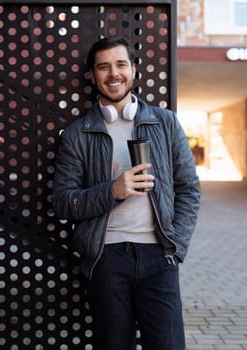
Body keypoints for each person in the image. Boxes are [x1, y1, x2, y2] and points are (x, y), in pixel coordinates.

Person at [52, 36, 201, 350]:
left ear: (134, 70)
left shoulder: (165, 123)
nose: (113, 73)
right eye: (103, 67)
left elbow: (189, 189)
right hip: (107, 258)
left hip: (160, 257)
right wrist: (113, 191)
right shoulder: (77, 135)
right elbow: (63, 203)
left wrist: (177, 247)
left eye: (120, 64)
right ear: (92, 76)